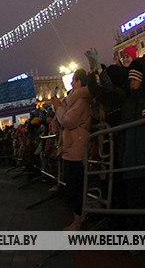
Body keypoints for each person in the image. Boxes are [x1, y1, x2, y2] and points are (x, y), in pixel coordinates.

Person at [50, 68, 91, 231]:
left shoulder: (81, 100)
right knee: (71, 184)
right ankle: (77, 218)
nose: (71, 83)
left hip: (77, 147)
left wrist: (59, 107)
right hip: (70, 147)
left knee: (76, 185)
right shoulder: (72, 100)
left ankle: (78, 219)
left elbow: (67, 120)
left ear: (79, 82)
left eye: (73, 80)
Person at [119, 58, 145, 231]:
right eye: (130, 81)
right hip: (132, 160)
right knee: (135, 200)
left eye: (134, 80)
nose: (131, 84)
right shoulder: (128, 103)